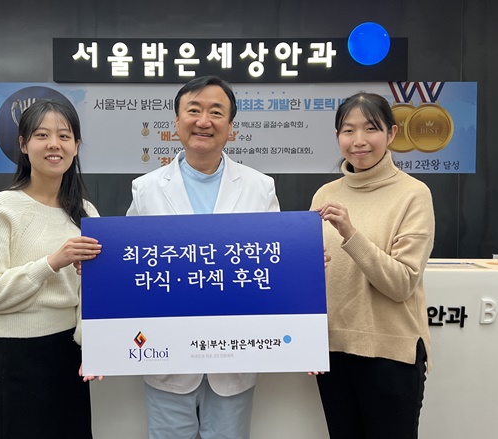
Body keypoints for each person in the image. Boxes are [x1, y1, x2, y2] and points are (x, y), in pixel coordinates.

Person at [126, 75, 280, 439]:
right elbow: (130, 267)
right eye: (193, 110)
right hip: (167, 356)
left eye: (216, 112)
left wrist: (302, 268)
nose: (204, 121)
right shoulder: (146, 189)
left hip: (234, 356)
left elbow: (275, 266)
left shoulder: (260, 187)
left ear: (231, 126)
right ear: (177, 122)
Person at [0, 99, 102, 439]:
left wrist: (95, 346)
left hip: (69, 354)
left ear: (76, 146)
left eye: (64, 136)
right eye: (42, 135)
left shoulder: (86, 212)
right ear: (23, 145)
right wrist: (52, 263)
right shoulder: (2, 208)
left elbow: (93, 293)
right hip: (16, 357)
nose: (54, 144)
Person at [310, 92, 434, 439]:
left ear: (391, 133)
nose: (359, 140)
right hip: (334, 352)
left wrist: (351, 234)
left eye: (371, 128)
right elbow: (312, 280)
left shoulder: (413, 194)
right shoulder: (324, 194)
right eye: (348, 130)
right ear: (338, 136)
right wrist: (307, 341)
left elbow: (402, 283)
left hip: (391, 355)